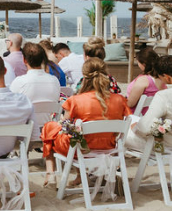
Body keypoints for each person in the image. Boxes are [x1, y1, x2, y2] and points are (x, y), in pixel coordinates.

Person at [41, 58, 129, 186]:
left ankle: (51, 174)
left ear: (84, 77)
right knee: (78, 134)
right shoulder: (120, 99)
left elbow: (66, 125)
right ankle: (80, 176)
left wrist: (58, 122)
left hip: (82, 150)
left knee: (50, 128)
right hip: (110, 148)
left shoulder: (76, 100)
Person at [126, 55, 172, 151]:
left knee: (120, 132)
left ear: (167, 77)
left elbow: (144, 128)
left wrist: (136, 127)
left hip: (167, 146)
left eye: (161, 78)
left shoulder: (164, 96)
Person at [9, 42, 61, 128]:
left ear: (24, 60)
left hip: (26, 133)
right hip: (47, 131)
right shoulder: (54, 81)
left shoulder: (20, 82)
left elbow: (11, 108)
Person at [125, 47, 166, 114]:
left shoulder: (143, 81)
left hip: (136, 117)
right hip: (154, 115)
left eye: (138, 62)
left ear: (143, 64)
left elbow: (130, 104)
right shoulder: (162, 78)